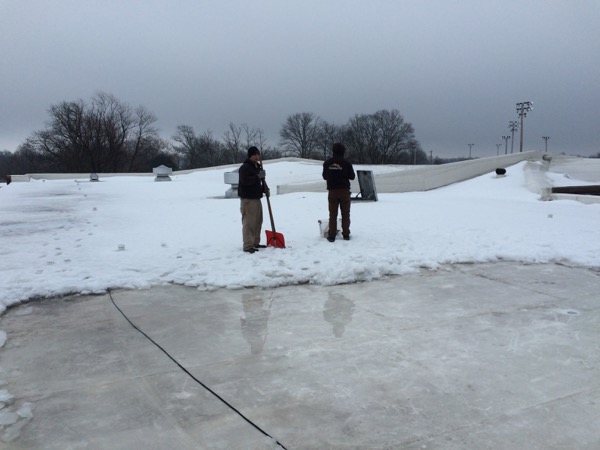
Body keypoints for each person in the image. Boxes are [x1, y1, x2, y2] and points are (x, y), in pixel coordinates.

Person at [322, 142, 355, 242]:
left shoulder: (327, 163)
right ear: (343, 151)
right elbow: (352, 177)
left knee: (332, 214)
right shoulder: (347, 163)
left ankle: (331, 235)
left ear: (333, 151)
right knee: (345, 214)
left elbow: (324, 176)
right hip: (344, 191)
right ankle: (346, 234)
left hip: (332, 191)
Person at [238, 146, 268, 253]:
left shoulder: (257, 167)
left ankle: (255, 242)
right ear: (250, 156)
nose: (256, 157)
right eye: (254, 155)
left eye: (257, 154)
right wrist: (257, 176)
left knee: (258, 221)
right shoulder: (245, 167)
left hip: (256, 197)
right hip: (248, 199)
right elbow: (245, 181)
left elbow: (260, 181)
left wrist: (265, 187)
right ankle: (248, 245)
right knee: (249, 222)